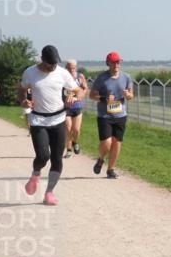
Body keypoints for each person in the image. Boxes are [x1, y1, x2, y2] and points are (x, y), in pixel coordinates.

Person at [20, 45, 81, 206]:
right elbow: (21, 89)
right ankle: (35, 174)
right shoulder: (30, 73)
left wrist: (74, 96)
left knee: (56, 158)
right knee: (42, 155)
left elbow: (80, 90)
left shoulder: (62, 73)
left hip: (58, 119)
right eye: (50, 64)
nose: (53, 67)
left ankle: (49, 193)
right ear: (42, 60)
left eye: (55, 64)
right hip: (38, 120)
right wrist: (23, 100)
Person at [88, 52, 133, 180]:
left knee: (117, 143)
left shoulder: (126, 77)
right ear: (108, 63)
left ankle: (111, 169)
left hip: (120, 115)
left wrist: (128, 95)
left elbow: (131, 95)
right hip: (104, 115)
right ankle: (101, 159)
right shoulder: (102, 78)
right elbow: (92, 95)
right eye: (114, 62)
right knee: (107, 143)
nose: (116, 65)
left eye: (118, 62)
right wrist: (104, 98)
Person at [63, 60, 88, 157]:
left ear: (76, 68)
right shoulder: (63, 77)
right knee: (68, 128)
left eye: (73, 68)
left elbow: (85, 89)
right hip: (66, 107)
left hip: (77, 106)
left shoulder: (80, 76)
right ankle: (69, 149)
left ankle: (75, 142)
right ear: (66, 68)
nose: (71, 70)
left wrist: (79, 96)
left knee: (76, 129)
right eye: (69, 68)